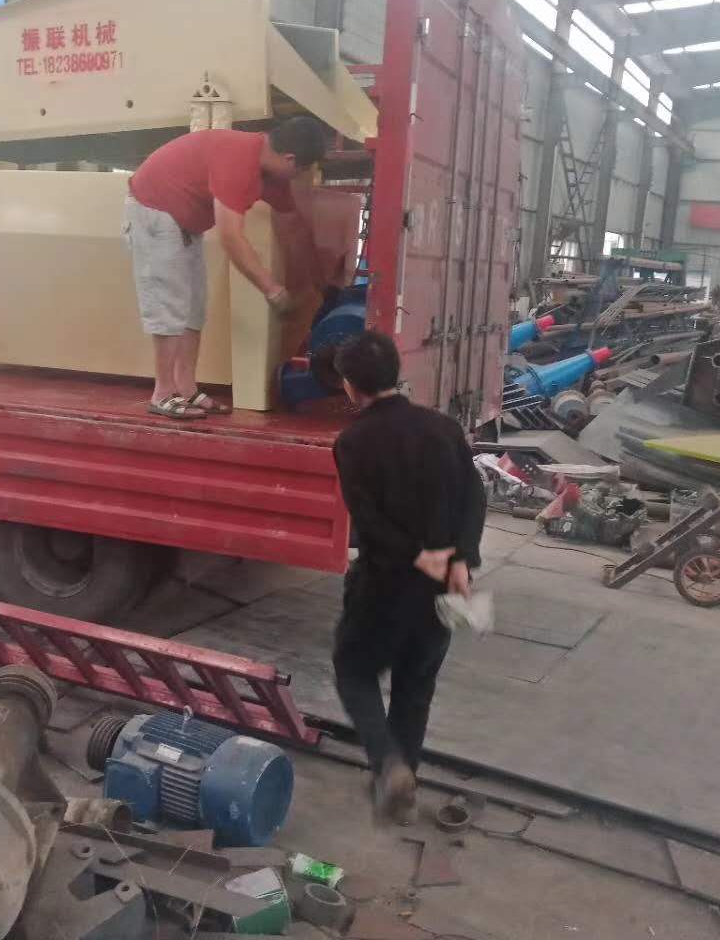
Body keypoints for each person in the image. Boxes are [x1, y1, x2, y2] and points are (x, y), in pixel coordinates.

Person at [330, 330, 486, 823]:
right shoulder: (443, 428)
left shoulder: (352, 442)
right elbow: (475, 495)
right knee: (415, 688)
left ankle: (389, 765)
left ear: (350, 385)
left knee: (354, 672)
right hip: (440, 592)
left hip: (383, 587)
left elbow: (369, 522)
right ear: (396, 372)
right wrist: (460, 559)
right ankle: (403, 787)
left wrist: (419, 556)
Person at [124, 117, 326, 420]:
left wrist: (316, 279)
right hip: (154, 211)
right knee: (169, 305)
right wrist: (273, 290)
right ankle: (163, 394)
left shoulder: (271, 173)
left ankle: (187, 388)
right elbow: (231, 237)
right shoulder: (239, 161)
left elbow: (293, 224)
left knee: (194, 308)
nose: (298, 178)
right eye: (301, 170)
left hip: (185, 223)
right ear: (289, 159)